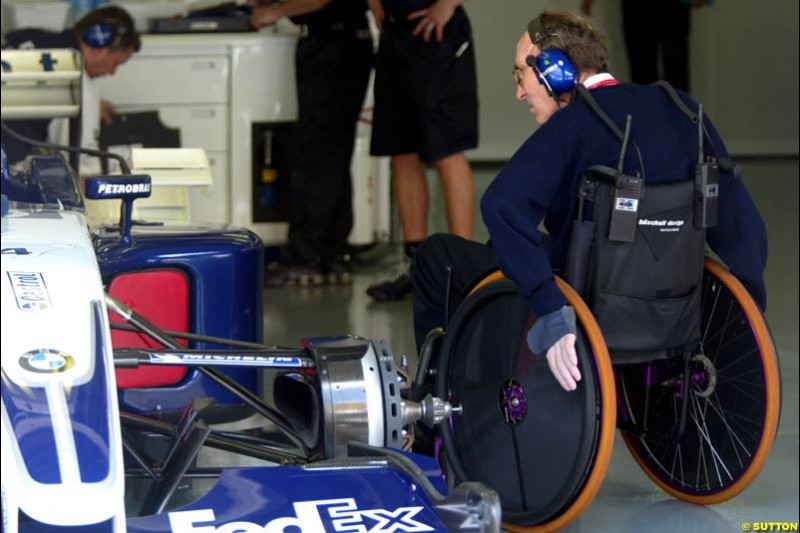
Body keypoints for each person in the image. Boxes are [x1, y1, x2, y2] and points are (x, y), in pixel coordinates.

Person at [411, 10, 767, 391]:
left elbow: (500, 206)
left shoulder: (574, 124)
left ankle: (445, 403)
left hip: (585, 298)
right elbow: (739, 219)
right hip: (677, 309)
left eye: (521, 74)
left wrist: (550, 310)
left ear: (554, 70)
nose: (519, 92)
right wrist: (745, 316)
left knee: (435, 256)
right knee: (502, 245)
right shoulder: (682, 108)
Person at [251, 0, 373, 286]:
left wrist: (276, 10)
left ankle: (303, 257)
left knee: (314, 152)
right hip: (343, 41)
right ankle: (332, 252)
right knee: (333, 151)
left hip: (332, 45)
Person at [365, 0, 478, 301]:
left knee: (446, 152)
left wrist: (448, 4)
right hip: (396, 33)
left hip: (438, 34)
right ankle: (415, 267)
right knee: (402, 151)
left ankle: (462, 271)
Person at [1, 5, 141, 171]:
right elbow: (81, 176)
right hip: (9, 178)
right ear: (97, 43)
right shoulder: (77, 84)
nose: (112, 72)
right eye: (116, 62)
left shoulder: (26, 37)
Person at [581, 0, 709, 92]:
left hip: (672, 5)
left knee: (676, 66)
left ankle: (679, 122)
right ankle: (646, 122)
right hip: (637, 6)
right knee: (642, 69)